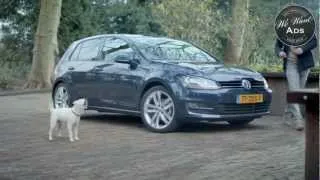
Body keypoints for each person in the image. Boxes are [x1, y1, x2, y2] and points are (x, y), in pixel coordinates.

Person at [275, 35, 317, 131]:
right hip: (290, 65)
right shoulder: (283, 29)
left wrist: (302, 49)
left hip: (305, 65)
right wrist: (280, 52)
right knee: (295, 92)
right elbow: (277, 46)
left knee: (297, 93)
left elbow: (314, 42)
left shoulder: (305, 25)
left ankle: (287, 116)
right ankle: (298, 119)